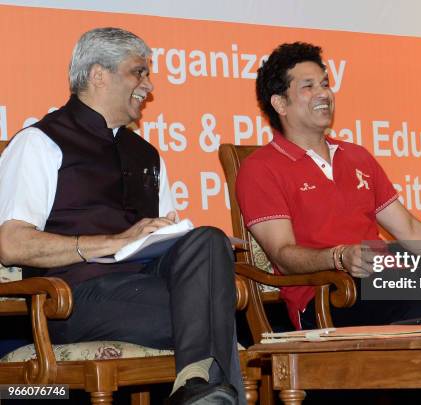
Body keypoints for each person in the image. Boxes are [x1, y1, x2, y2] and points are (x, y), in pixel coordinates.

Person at [0, 28, 243, 405]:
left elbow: (165, 239)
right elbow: (11, 244)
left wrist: (189, 242)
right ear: (99, 75)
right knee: (212, 308)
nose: (148, 85)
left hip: (143, 286)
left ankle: (195, 387)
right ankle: (201, 389)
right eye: (138, 72)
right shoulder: (39, 142)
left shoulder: (146, 154)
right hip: (74, 297)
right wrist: (116, 242)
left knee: (208, 239)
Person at [236, 42, 421, 331]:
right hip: (329, 295)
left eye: (325, 84)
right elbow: (283, 253)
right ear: (280, 104)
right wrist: (340, 256)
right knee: (410, 293)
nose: (324, 93)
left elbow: (410, 229)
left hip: (386, 280)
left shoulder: (356, 156)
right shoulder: (261, 168)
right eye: (308, 86)